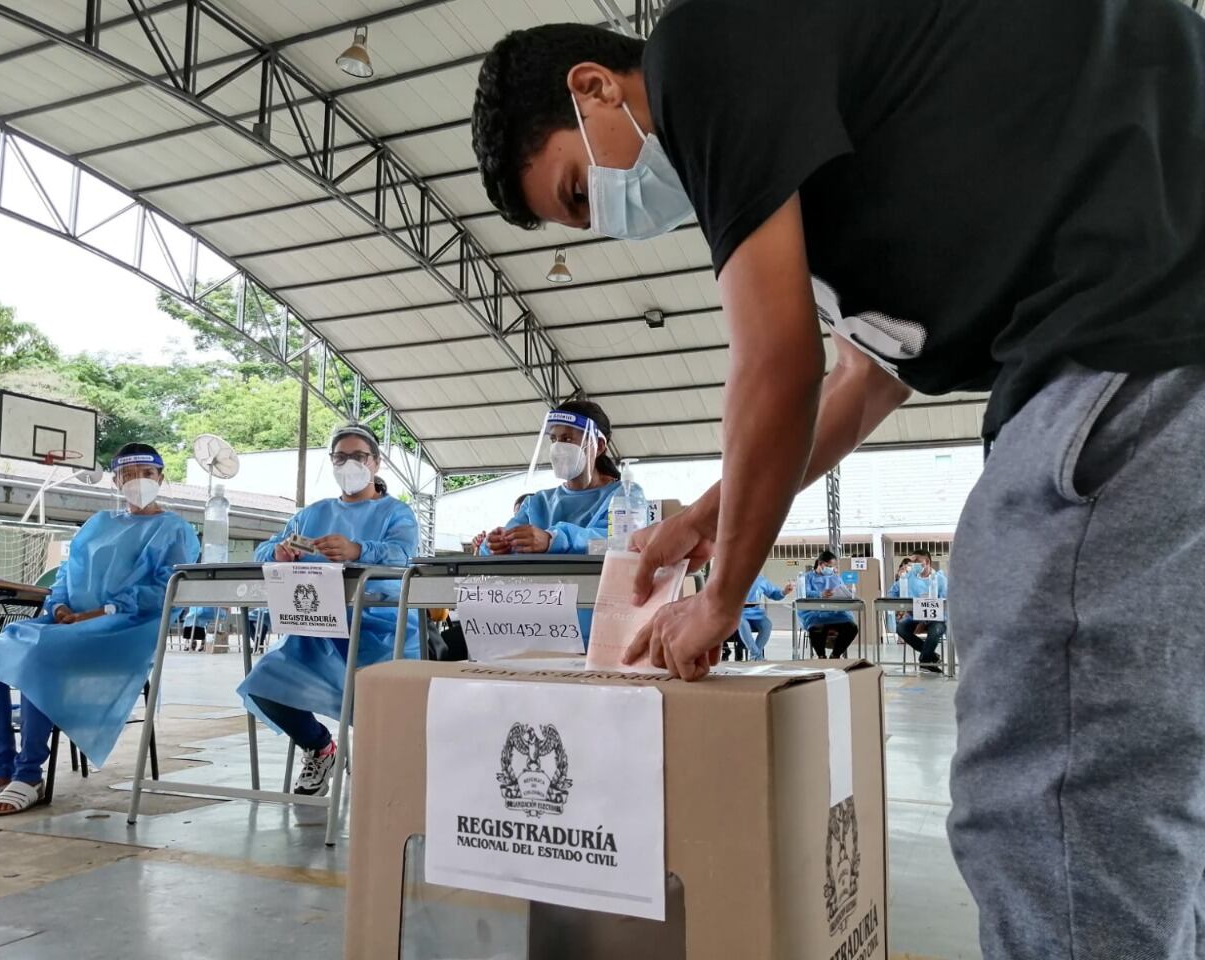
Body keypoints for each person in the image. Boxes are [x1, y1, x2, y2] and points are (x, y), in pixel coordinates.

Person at [474, 8, 1205, 955]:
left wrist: (723, 596)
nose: (609, 216)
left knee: (1057, 802)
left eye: (581, 188)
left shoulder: (708, 50)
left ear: (596, 86)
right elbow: (863, 382)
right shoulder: (860, 152)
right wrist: (706, 518)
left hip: (1141, 351)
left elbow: (779, 364)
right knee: (1157, 783)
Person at [0, 443, 198, 816]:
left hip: (123, 630)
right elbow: (66, 574)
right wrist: (59, 605)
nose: (138, 481)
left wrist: (99, 612)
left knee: (42, 656)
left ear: (161, 477)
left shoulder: (173, 528)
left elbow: (165, 589)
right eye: (129, 475)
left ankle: (29, 773)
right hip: (67, 624)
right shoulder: (98, 524)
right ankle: (1, 771)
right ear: (115, 481)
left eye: (147, 473)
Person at [237, 424, 418, 797]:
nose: (348, 464)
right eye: (340, 457)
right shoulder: (311, 514)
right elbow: (265, 549)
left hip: (379, 627)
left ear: (376, 463)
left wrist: (357, 550)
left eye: (358, 456)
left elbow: (403, 557)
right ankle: (320, 747)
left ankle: (389, 765)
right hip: (316, 628)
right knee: (264, 685)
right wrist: (278, 552)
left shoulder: (397, 513)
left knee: (382, 704)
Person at [478, 400, 635, 645]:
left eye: (568, 439)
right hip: (536, 632)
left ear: (600, 445)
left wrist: (554, 539)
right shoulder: (537, 503)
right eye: (554, 440)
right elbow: (499, 546)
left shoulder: (625, 495)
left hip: (599, 633)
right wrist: (493, 545)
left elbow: (619, 544)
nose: (558, 447)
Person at [783, 551, 858, 659]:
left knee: (852, 628)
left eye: (832, 567)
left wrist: (848, 594)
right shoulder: (807, 578)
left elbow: (843, 591)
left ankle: (835, 655)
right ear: (820, 563)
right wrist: (820, 594)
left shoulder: (835, 577)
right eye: (828, 566)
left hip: (836, 613)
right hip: (815, 613)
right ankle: (821, 657)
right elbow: (803, 593)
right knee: (816, 628)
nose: (831, 569)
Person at [887, 550, 949, 674]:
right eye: (912, 562)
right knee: (901, 628)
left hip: (935, 619)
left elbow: (947, 604)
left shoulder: (940, 579)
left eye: (917, 562)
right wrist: (900, 578)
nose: (913, 565)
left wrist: (927, 619)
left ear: (927, 562)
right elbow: (891, 593)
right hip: (913, 617)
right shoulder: (908, 578)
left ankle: (924, 660)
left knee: (935, 629)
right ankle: (930, 657)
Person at [734, 572, 784, 660]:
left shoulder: (760, 580)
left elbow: (773, 593)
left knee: (767, 624)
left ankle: (755, 656)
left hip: (755, 612)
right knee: (742, 623)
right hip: (738, 612)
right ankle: (756, 655)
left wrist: (784, 592)